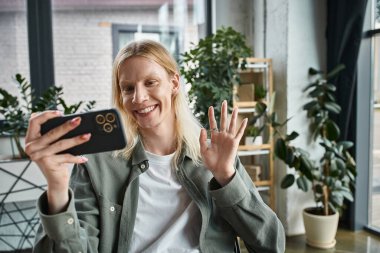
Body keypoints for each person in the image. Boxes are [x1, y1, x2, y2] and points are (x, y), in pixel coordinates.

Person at [25, 39, 285, 253]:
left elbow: (271, 245)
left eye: (150, 82)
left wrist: (227, 177)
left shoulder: (213, 154)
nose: (138, 98)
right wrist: (57, 188)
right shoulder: (97, 164)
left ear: (174, 83)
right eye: (128, 88)